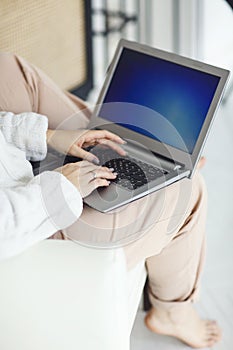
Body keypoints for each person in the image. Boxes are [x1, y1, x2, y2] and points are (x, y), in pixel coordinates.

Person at [0, 52, 221, 348]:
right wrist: (64, 186)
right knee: (190, 190)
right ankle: (172, 313)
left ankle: (143, 146)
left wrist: (48, 136)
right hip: (34, 223)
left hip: (13, 168)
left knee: (7, 69)